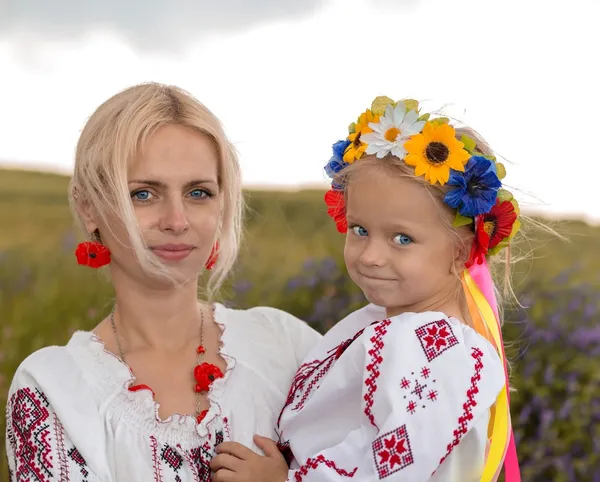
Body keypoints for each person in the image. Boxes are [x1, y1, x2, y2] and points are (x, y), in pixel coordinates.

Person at [4, 82, 322, 481]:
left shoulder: (288, 347)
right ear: (90, 209)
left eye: (198, 192)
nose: (176, 220)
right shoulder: (55, 389)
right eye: (143, 194)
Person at [210, 96, 522, 481]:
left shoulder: (439, 350)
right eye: (360, 230)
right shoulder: (394, 325)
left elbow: (394, 469)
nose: (371, 255)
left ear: (460, 251)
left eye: (402, 239)